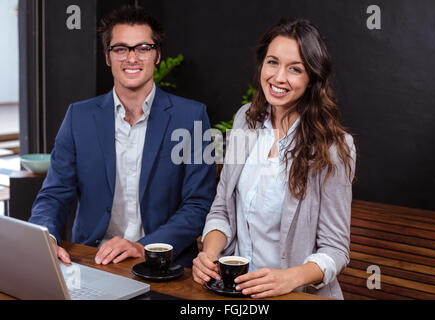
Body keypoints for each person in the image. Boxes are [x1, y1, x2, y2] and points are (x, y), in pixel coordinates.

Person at [29, 5, 216, 268]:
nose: (132, 58)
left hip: (162, 263)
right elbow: (54, 194)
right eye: (120, 49)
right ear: (108, 57)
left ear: (157, 55)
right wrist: (45, 236)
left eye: (143, 48)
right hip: (92, 258)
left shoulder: (191, 117)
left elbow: (198, 203)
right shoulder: (78, 117)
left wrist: (143, 247)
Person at [192, 18, 356, 299]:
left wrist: (288, 279)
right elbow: (222, 208)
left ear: (312, 79)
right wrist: (209, 254)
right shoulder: (246, 119)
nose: (279, 78)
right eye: (272, 62)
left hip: (297, 295)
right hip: (238, 293)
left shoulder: (333, 147)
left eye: (295, 69)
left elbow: (336, 249)